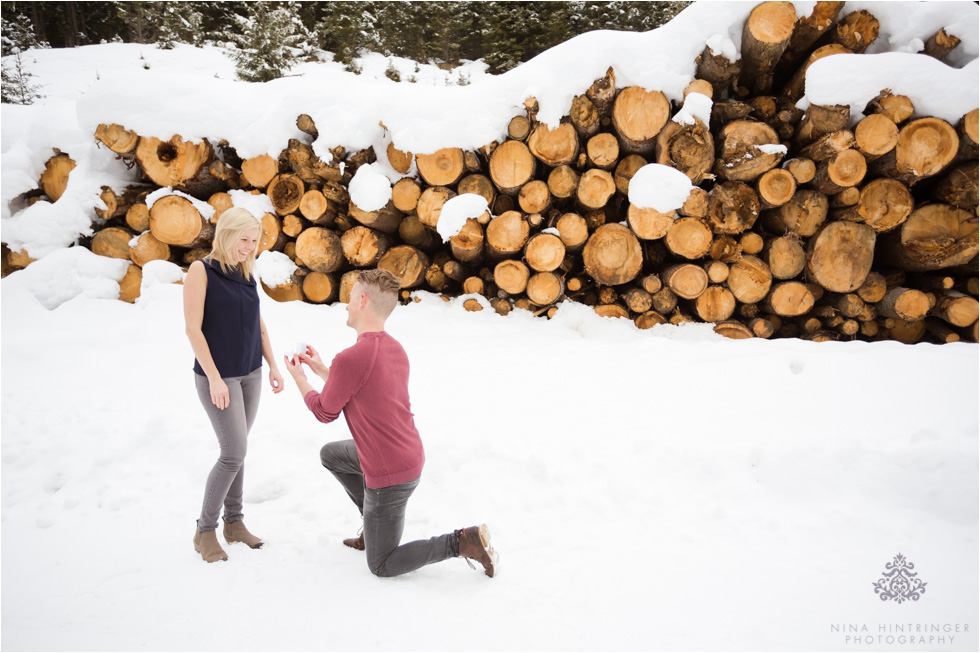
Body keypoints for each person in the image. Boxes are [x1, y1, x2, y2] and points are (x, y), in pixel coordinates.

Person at [283, 269, 497, 578]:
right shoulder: (394, 348)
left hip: (390, 473)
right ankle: (373, 525)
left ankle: (460, 542)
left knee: (381, 564)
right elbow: (360, 393)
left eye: (351, 297)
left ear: (363, 300)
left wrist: (300, 379)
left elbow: (324, 412)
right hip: (404, 454)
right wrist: (320, 369)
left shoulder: (353, 357)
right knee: (331, 455)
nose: (346, 304)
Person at [183, 207, 284, 563]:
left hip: (250, 374)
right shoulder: (202, 270)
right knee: (233, 453)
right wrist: (213, 378)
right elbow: (193, 329)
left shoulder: (246, 275)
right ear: (226, 233)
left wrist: (272, 365)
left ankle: (235, 523)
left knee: (237, 450)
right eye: (244, 239)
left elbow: (260, 326)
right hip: (218, 376)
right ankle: (204, 531)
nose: (249, 247)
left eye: (254, 241)